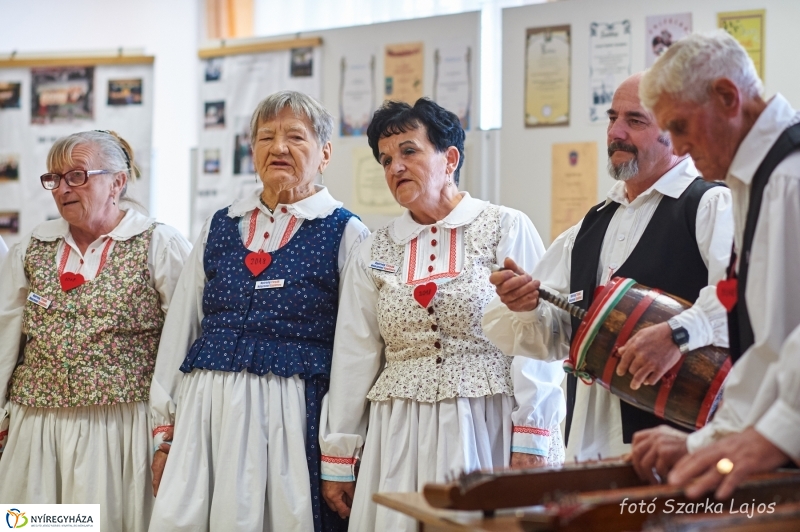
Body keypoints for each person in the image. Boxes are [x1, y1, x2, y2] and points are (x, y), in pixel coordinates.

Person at [319, 98, 565, 532]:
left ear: (449, 158)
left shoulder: (504, 226)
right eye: (386, 158)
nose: (395, 167)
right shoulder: (373, 249)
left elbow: (537, 339)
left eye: (409, 151)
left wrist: (532, 436)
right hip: (399, 433)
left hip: (487, 426)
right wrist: (340, 454)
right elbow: (354, 354)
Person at [482, 72, 734, 463]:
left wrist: (677, 334)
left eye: (635, 121)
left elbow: (740, 296)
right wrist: (527, 304)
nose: (616, 132)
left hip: (682, 449)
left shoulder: (710, 205)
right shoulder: (589, 227)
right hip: (588, 444)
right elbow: (552, 338)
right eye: (612, 118)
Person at [148, 90, 369, 532]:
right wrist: (165, 428)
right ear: (252, 151)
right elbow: (182, 328)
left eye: (295, 137)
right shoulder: (220, 224)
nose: (279, 148)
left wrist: (340, 448)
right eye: (266, 137)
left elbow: (355, 350)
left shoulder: (347, 232)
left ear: (325, 152)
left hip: (289, 417)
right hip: (206, 416)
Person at [631, 30, 800, 499]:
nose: (678, 149)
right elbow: (768, 349)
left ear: (728, 96)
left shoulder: (790, 179)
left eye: (681, 127)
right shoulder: (750, 181)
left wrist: (775, 435)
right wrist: (707, 442)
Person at [0, 130, 191, 531]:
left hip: (119, 429)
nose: (63, 188)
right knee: (34, 525)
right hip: (38, 427)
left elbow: (184, 342)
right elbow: (5, 337)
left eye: (77, 176)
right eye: (54, 178)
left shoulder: (159, 244)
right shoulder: (33, 247)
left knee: (104, 523)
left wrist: (172, 430)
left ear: (117, 182)